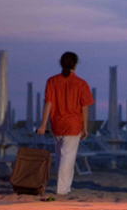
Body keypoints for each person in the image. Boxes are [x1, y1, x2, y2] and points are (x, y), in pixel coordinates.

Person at [37, 52, 93, 195]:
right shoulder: (81, 84)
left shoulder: (52, 81)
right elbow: (84, 108)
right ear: (75, 64)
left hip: (57, 123)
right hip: (73, 125)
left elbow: (48, 104)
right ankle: (62, 190)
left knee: (61, 156)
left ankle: (64, 188)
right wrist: (85, 128)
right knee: (67, 158)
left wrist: (43, 125)